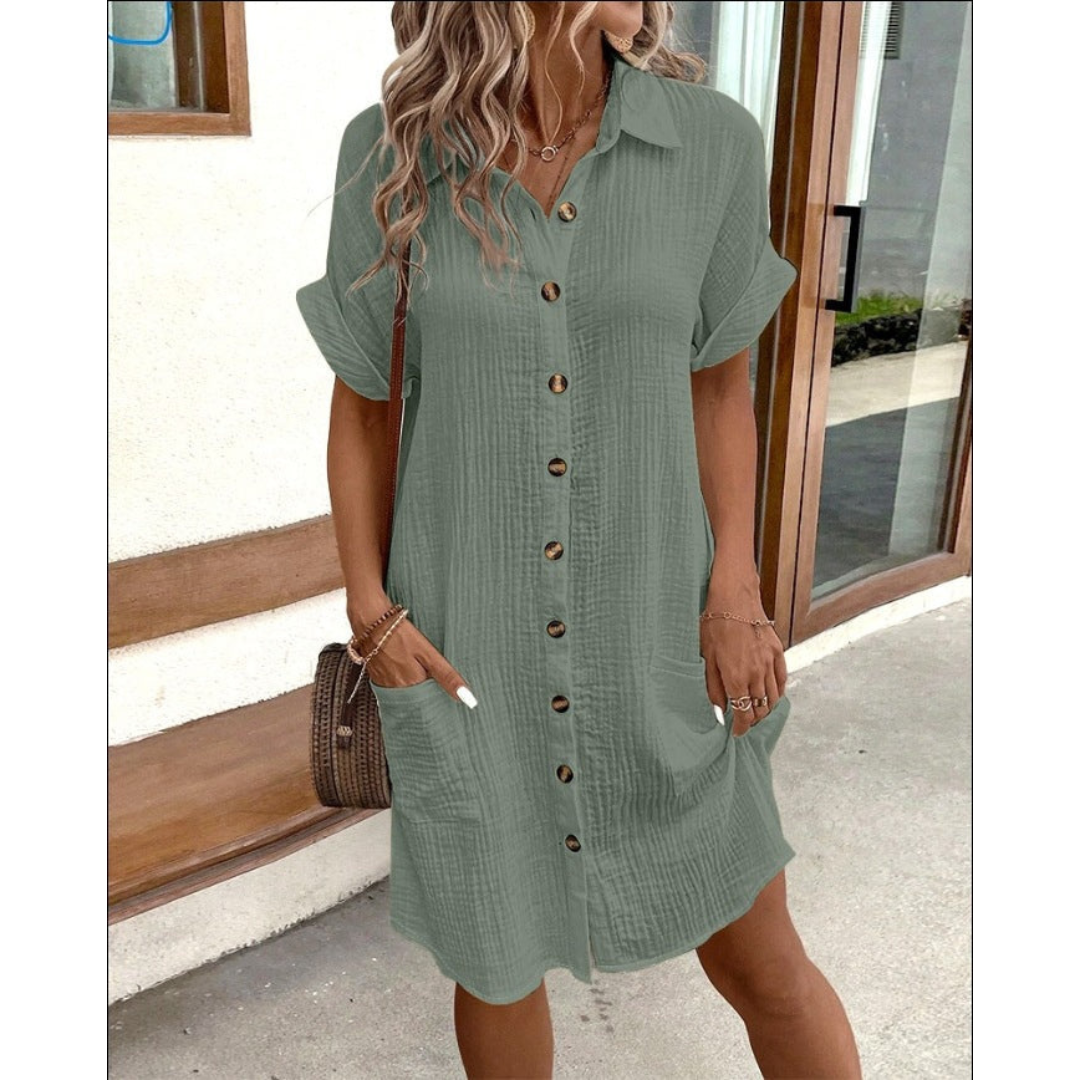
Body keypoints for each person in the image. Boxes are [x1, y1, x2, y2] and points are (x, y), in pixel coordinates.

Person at [297, 2, 861, 1076]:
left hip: (655, 636)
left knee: (762, 960)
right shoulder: (396, 150)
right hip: (467, 646)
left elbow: (719, 387)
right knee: (495, 961)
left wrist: (735, 593)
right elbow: (364, 402)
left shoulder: (711, 144)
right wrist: (371, 611)